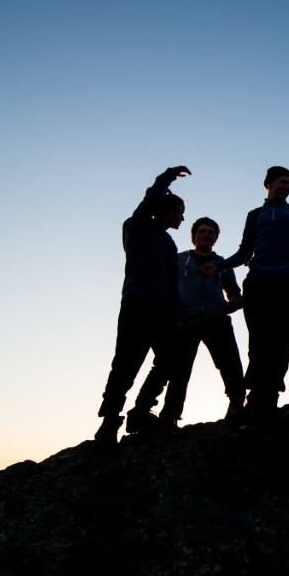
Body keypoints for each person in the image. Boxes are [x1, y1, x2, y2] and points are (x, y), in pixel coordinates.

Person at [216, 166, 289, 421]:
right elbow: (244, 252)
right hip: (258, 284)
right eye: (282, 182)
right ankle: (255, 398)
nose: (287, 187)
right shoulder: (255, 214)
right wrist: (217, 265)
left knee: (281, 344)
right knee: (258, 343)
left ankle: (269, 398)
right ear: (269, 183)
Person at [95, 165, 190, 445]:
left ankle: (140, 411)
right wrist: (166, 177)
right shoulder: (137, 228)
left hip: (162, 309)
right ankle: (109, 422)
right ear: (168, 211)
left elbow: (172, 283)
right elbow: (149, 202)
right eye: (180, 212)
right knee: (126, 364)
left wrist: (176, 313)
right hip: (137, 304)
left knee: (171, 360)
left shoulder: (169, 244)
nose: (183, 218)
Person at [130, 217, 246, 431]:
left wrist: (232, 304)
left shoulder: (223, 264)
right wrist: (172, 317)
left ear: (216, 238)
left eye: (211, 232)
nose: (206, 235)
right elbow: (165, 288)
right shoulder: (178, 260)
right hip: (184, 323)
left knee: (230, 365)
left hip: (216, 321)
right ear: (194, 236)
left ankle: (237, 406)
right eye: (202, 231)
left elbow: (233, 292)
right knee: (178, 372)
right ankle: (169, 416)